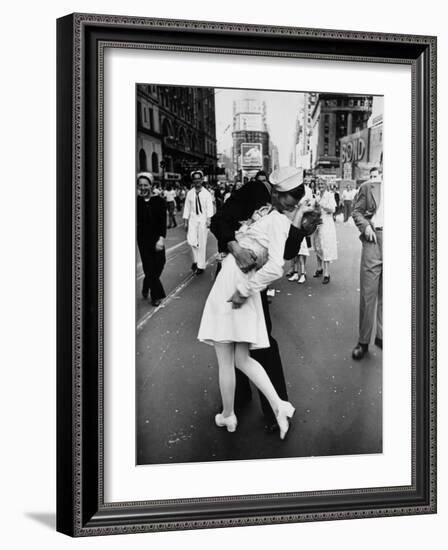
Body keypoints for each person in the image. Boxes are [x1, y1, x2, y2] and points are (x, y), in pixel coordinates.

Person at [199, 169, 313, 439]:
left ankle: (273, 408)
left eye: (297, 199)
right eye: (288, 199)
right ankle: (236, 400)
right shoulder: (252, 192)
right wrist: (236, 249)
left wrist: (297, 224)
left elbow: (285, 255)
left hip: (253, 281)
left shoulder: (290, 213)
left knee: (259, 342)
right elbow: (219, 221)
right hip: (235, 270)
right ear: (273, 190)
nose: (291, 204)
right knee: (233, 347)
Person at [351, 166, 383, 360]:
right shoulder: (369, 187)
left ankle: (381, 336)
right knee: (368, 294)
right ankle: (363, 342)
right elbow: (356, 212)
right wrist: (365, 227)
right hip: (374, 240)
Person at [136, 172, 167, 307]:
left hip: (157, 238)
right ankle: (156, 296)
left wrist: (161, 239)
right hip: (143, 239)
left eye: (145, 185)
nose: (143, 188)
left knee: (160, 264)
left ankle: (146, 283)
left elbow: (162, 222)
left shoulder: (159, 202)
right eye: (140, 185)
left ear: (151, 186)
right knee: (149, 266)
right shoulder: (136, 201)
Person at [183, 171, 214, 275]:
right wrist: (185, 221)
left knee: (201, 243)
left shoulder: (207, 194)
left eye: (199, 179)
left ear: (202, 180)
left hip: (202, 220)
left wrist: (209, 220)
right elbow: (187, 207)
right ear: (193, 180)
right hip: (193, 220)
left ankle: (200, 265)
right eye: (195, 179)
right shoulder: (190, 193)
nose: (197, 181)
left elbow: (210, 208)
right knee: (191, 241)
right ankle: (196, 260)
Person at [286, 179, 314, 284]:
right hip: (293, 221)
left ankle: (302, 273)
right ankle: (296, 272)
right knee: (295, 251)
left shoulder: (308, 191)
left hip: (302, 223)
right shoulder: (290, 192)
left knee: (302, 250)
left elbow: (311, 207)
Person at [312, 179, 338, 284]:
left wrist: (321, 204)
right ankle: (319, 268)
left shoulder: (329, 195)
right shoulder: (317, 195)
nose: (320, 186)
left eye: (322, 184)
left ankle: (327, 273)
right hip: (317, 223)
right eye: (319, 184)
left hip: (326, 224)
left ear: (326, 185)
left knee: (326, 246)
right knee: (317, 246)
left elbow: (332, 209)